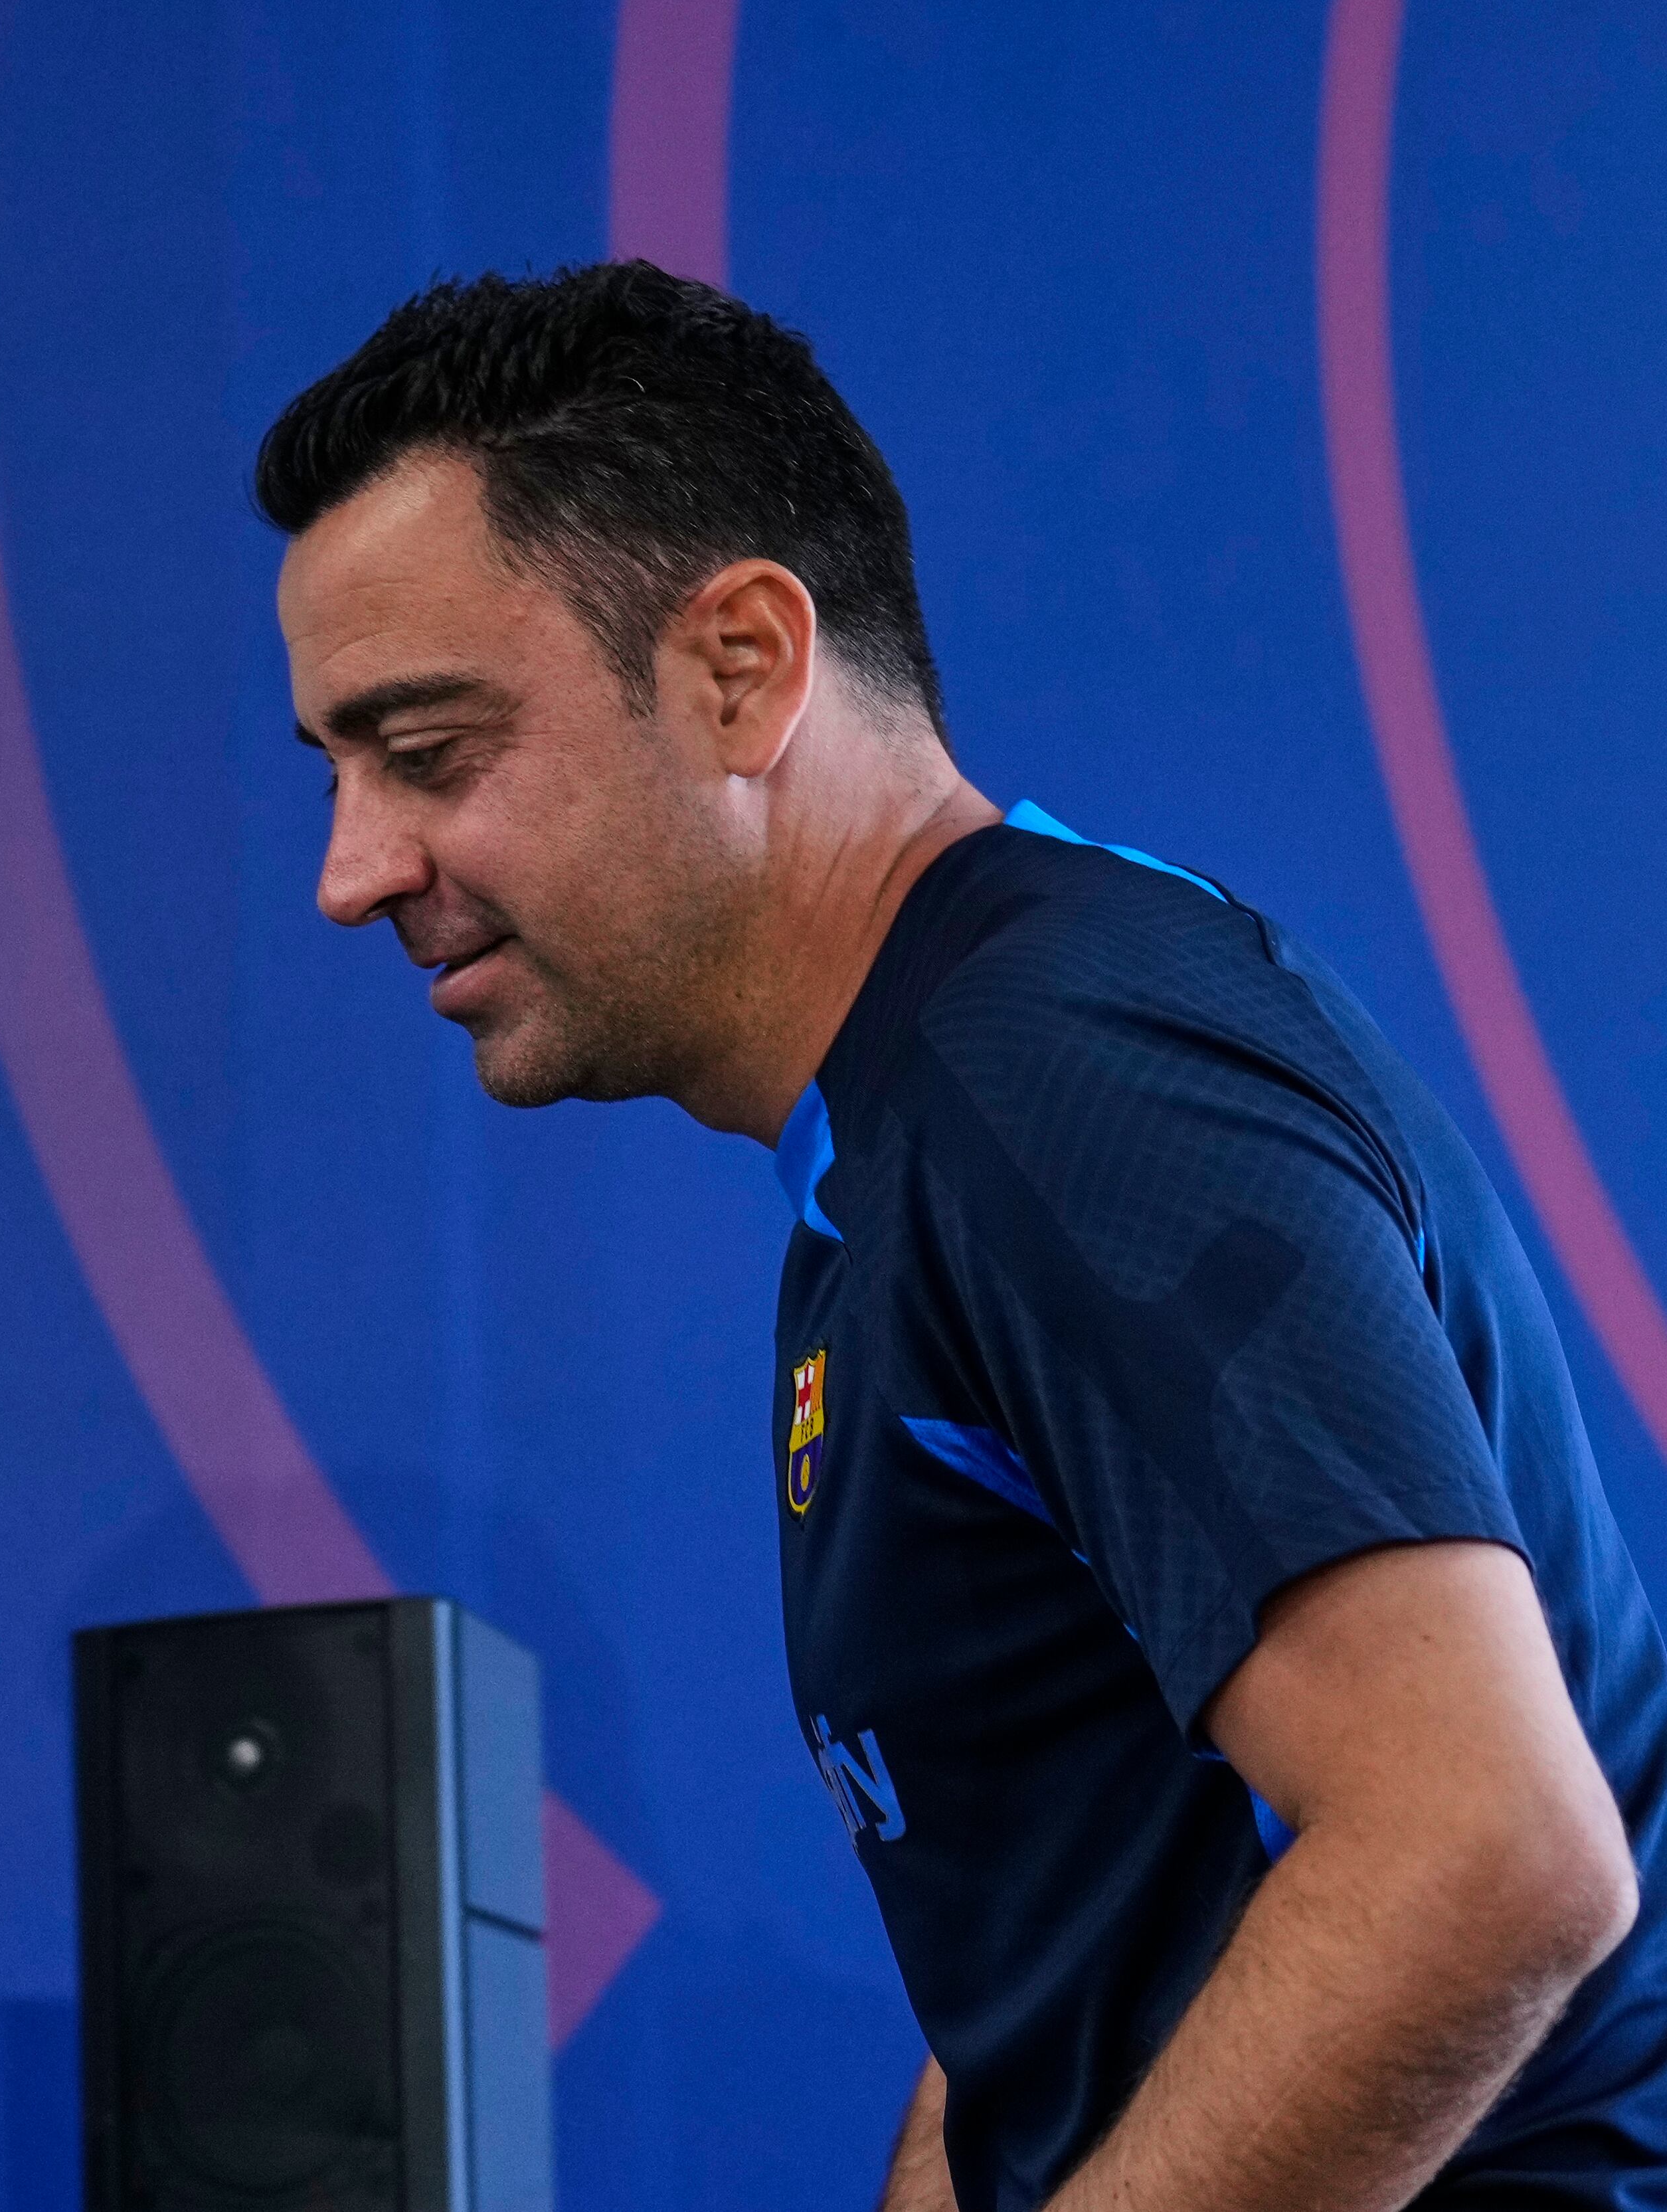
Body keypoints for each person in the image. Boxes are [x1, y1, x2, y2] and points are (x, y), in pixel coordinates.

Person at [256, 262, 1667, 2210]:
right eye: (332, 772)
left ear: (741, 664)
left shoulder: (1063, 1079)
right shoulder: (928, 1110)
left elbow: (1490, 1848)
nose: (355, 871)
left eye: (429, 750)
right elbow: (1074, 1974)